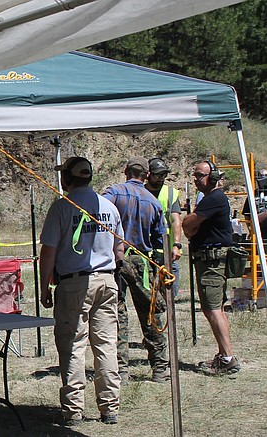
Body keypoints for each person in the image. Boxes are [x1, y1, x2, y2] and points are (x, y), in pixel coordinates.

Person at [38, 157, 123, 426]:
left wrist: (44, 287)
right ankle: (110, 407)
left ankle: (73, 410)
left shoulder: (62, 208)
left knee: (73, 346)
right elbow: (119, 249)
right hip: (107, 280)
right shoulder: (109, 207)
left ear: (67, 179)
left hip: (74, 283)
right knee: (106, 345)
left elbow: (48, 251)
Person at [103, 157, 168, 383]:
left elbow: (97, 213)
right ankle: (160, 368)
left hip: (116, 259)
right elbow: (161, 239)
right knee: (151, 314)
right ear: (147, 176)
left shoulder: (114, 193)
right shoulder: (153, 201)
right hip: (142, 261)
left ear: (125, 171)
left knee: (116, 314)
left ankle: (121, 369)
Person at [182, 161, 241, 376]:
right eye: (195, 175)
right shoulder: (210, 199)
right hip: (210, 261)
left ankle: (227, 358)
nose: (196, 179)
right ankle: (225, 355)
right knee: (215, 308)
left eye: (200, 175)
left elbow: (188, 224)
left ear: (213, 177)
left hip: (211, 262)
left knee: (213, 308)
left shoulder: (214, 198)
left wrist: (190, 228)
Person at [145, 158, 184, 297]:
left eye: (164, 175)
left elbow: (175, 221)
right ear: (148, 174)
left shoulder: (170, 193)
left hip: (167, 251)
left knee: (170, 292)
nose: (161, 178)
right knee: (150, 294)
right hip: (147, 251)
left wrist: (177, 245)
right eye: (157, 175)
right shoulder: (140, 192)